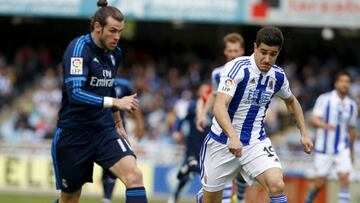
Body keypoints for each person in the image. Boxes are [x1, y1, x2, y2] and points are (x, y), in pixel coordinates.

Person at [200, 26, 313, 203]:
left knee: (277, 185)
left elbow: (292, 101)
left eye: (273, 54)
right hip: (222, 142)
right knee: (210, 200)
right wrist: (232, 136)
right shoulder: (236, 68)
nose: (267, 59)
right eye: (263, 52)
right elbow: (220, 105)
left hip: (255, 142)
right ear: (254, 47)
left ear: (279, 52)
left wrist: (304, 133)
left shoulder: (278, 76)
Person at [51, 1, 148, 203]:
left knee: (135, 177)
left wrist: (118, 123)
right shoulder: (78, 49)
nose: (117, 37)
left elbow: (109, 85)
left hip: (104, 129)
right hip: (74, 133)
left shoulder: (115, 54)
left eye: (120, 31)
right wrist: (116, 102)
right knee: (70, 198)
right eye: (112, 31)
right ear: (97, 26)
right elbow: (76, 94)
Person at [196, 33, 247, 203]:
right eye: (230, 50)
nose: (233, 54)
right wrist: (203, 113)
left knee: (243, 169)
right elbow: (214, 94)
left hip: (245, 127)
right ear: (225, 52)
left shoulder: (250, 72)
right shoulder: (218, 73)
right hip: (222, 128)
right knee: (220, 170)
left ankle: (239, 198)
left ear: (242, 51)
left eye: (236, 51)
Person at [305, 71, 358, 203]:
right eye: (342, 81)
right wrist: (325, 125)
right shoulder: (324, 99)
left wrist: (351, 151)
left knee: (344, 176)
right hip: (324, 149)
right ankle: (309, 199)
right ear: (336, 83)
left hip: (342, 147)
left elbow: (351, 129)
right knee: (319, 184)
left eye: (347, 82)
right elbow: (314, 119)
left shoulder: (352, 105)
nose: (344, 84)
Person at [101, 77, 145, 203]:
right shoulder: (92, 80)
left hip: (116, 129)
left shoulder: (124, 84)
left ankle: (107, 198)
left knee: (131, 173)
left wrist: (140, 125)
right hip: (94, 130)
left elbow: (133, 104)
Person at [168, 84, 211, 203]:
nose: (205, 93)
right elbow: (181, 120)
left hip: (207, 146)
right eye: (203, 90)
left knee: (204, 173)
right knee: (188, 177)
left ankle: (189, 168)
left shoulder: (214, 107)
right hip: (193, 145)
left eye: (207, 90)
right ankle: (175, 195)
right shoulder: (193, 106)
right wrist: (176, 131)